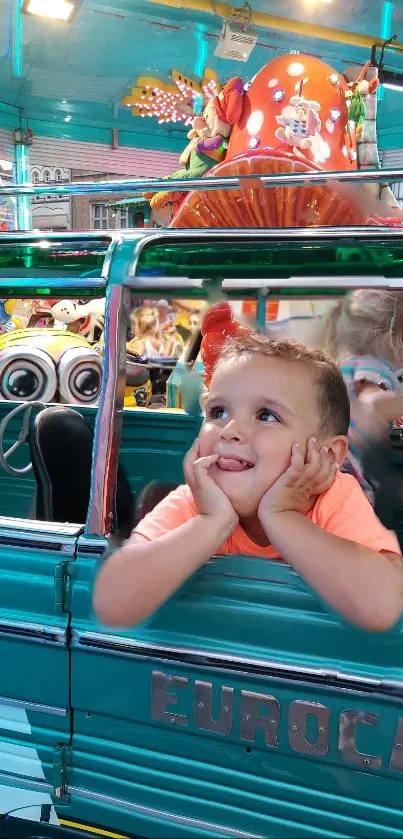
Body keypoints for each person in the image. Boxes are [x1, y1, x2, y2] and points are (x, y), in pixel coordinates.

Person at [93, 331, 403, 632]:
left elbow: (383, 606)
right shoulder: (197, 500)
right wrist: (213, 521)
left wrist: (282, 517)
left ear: (329, 454)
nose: (229, 431)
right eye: (218, 411)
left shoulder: (333, 497)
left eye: (267, 415)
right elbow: (112, 605)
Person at [325, 290, 403, 502]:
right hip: (355, 486)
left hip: (333, 478)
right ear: (391, 337)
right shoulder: (374, 368)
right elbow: (371, 403)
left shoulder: (343, 369)